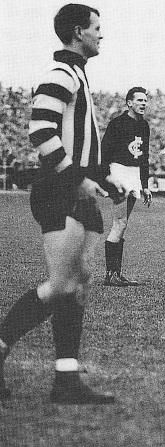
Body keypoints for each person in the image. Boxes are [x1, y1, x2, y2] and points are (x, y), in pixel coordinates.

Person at [0, 4, 120, 404]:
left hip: (74, 192)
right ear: (77, 32)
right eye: (97, 28)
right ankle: (20, 354)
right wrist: (78, 177)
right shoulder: (61, 74)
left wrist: (102, 177)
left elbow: (76, 141)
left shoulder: (78, 76)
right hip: (58, 191)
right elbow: (40, 131)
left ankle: (65, 377)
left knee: (76, 284)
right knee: (62, 284)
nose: (102, 34)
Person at [102, 86, 152, 286]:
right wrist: (107, 177)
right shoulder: (117, 123)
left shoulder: (144, 125)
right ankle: (110, 274)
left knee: (123, 224)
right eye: (139, 100)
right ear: (129, 103)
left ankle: (116, 273)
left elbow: (144, 156)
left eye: (145, 100)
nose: (143, 103)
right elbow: (104, 151)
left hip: (134, 174)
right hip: (119, 171)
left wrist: (145, 185)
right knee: (119, 222)